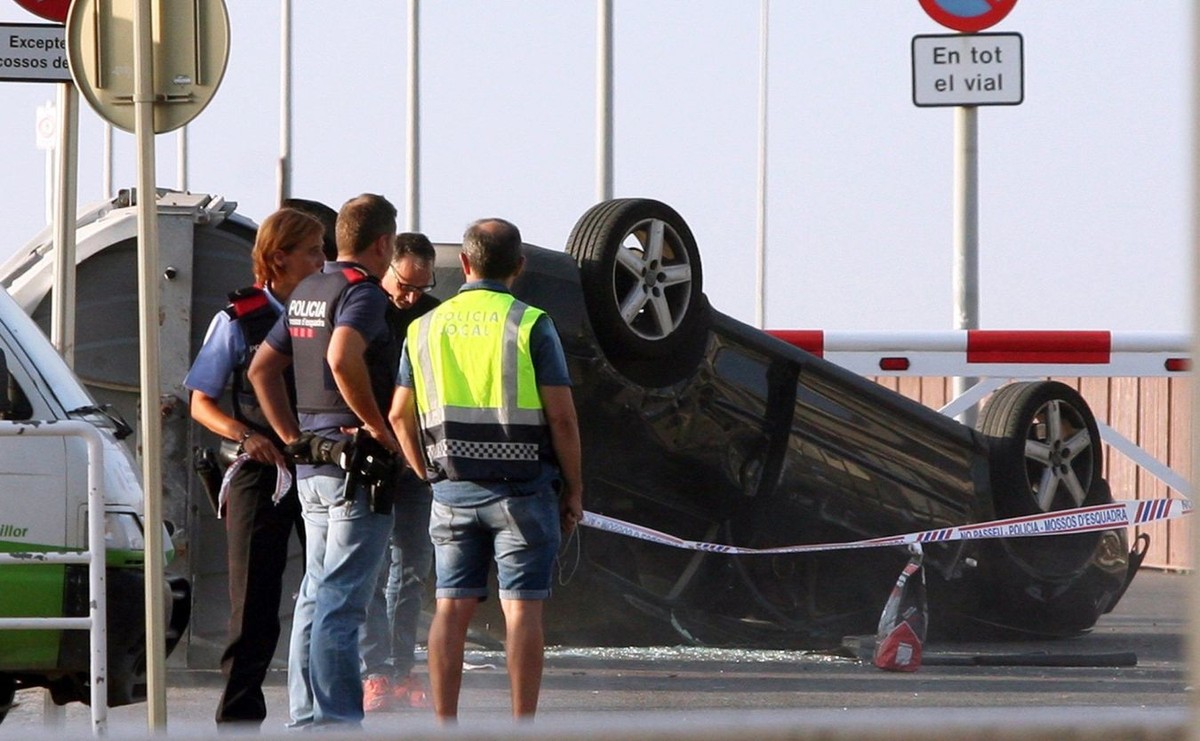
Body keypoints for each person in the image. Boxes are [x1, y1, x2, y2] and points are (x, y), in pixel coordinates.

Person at [388, 218, 583, 723]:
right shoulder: (531, 324)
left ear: (467, 264)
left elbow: (396, 415)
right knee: (522, 611)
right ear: (518, 267)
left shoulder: (423, 327)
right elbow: (561, 415)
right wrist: (575, 489)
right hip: (523, 492)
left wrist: (425, 473)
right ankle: (522, 726)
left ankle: (445, 725)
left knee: (450, 608)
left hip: (451, 491)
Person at [248, 193, 401, 729]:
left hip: (313, 465)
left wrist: (292, 435)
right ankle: (337, 721)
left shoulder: (309, 289)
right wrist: (380, 430)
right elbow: (342, 357)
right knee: (343, 600)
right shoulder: (362, 293)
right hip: (355, 470)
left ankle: (308, 715)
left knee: (315, 593)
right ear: (383, 243)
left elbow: (262, 370)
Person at [182, 207, 326, 727]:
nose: (322, 260)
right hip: (258, 472)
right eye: (312, 251)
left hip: (320, 468)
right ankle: (239, 718)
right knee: (256, 604)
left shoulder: (327, 312)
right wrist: (246, 435)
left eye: (324, 249)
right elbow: (201, 401)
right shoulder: (237, 319)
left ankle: (321, 710)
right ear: (279, 257)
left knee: (329, 591)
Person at [359, 233, 440, 712]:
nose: (409, 296)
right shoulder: (365, 306)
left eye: (419, 288)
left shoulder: (432, 313)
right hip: (372, 451)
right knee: (372, 566)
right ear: (386, 267)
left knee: (412, 565)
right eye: (403, 285)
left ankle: (403, 665)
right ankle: (375, 672)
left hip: (417, 454)